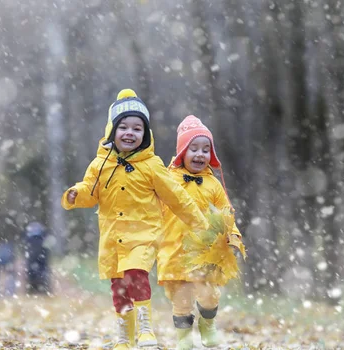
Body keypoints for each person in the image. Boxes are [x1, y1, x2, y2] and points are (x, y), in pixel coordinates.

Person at [61, 89, 211, 349]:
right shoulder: (100, 164)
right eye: (124, 127)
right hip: (112, 237)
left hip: (143, 234)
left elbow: (177, 197)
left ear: (145, 135)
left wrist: (201, 224)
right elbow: (90, 191)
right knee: (118, 286)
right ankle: (124, 338)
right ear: (112, 131)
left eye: (137, 129)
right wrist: (76, 194)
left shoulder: (152, 165)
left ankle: (145, 330)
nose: (130, 133)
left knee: (135, 273)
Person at [157, 115, 246, 349]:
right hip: (175, 249)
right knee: (181, 298)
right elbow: (153, 208)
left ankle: (208, 324)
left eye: (205, 150)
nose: (199, 155)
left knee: (209, 294)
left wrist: (232, 234)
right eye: (193, 149)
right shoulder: (167, 180)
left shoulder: (213, 185)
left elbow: (226, 213)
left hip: (205, 252)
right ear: (182, 153)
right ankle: (184, 338)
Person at [23, 221, 51, 295]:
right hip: (40, 263)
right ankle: (42, 291)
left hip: (35, 263)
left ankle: (33, 291)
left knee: (33, 278)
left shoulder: (30, 239)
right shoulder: (43, 239)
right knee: (42, 278)